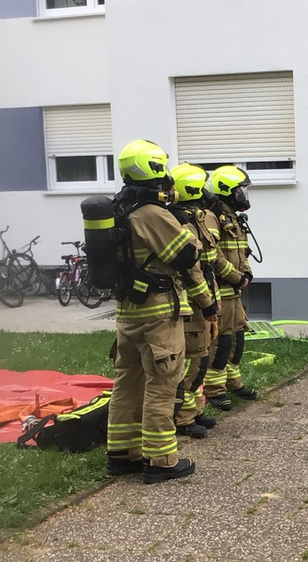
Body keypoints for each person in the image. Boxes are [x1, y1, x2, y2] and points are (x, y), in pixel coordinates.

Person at [104, 139, 210, 484]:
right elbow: (187, 254)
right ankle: (162, 459)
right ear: (153, 168)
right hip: (158, 311)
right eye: (162, 167)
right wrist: (177, 222)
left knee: (128, 381)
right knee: (162, 382)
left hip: (128, 311)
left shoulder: (120, 209)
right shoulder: (151, 213)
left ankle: (122, 452)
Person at [167, 163, 220, 438]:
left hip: (205, 297)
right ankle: (183, 418)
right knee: (193, 362)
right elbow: (192, 269)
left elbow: (211, 260)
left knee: (202, 359)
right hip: (193, 304)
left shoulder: (197, 218)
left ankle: (195, 410)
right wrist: (206, 301)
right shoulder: (182, 223)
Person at [202, 165, 257, 411]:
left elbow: (242, 251)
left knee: (238, 339)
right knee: (221, 342)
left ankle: (234, 381)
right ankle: (214, 390)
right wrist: (235, 277)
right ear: (226, 191)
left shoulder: (233, 218)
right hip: (222, 291)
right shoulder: (211, 217)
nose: (243, 195)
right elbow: (213, 255)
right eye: (239, 190)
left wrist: (246, 274)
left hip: (235, 292)